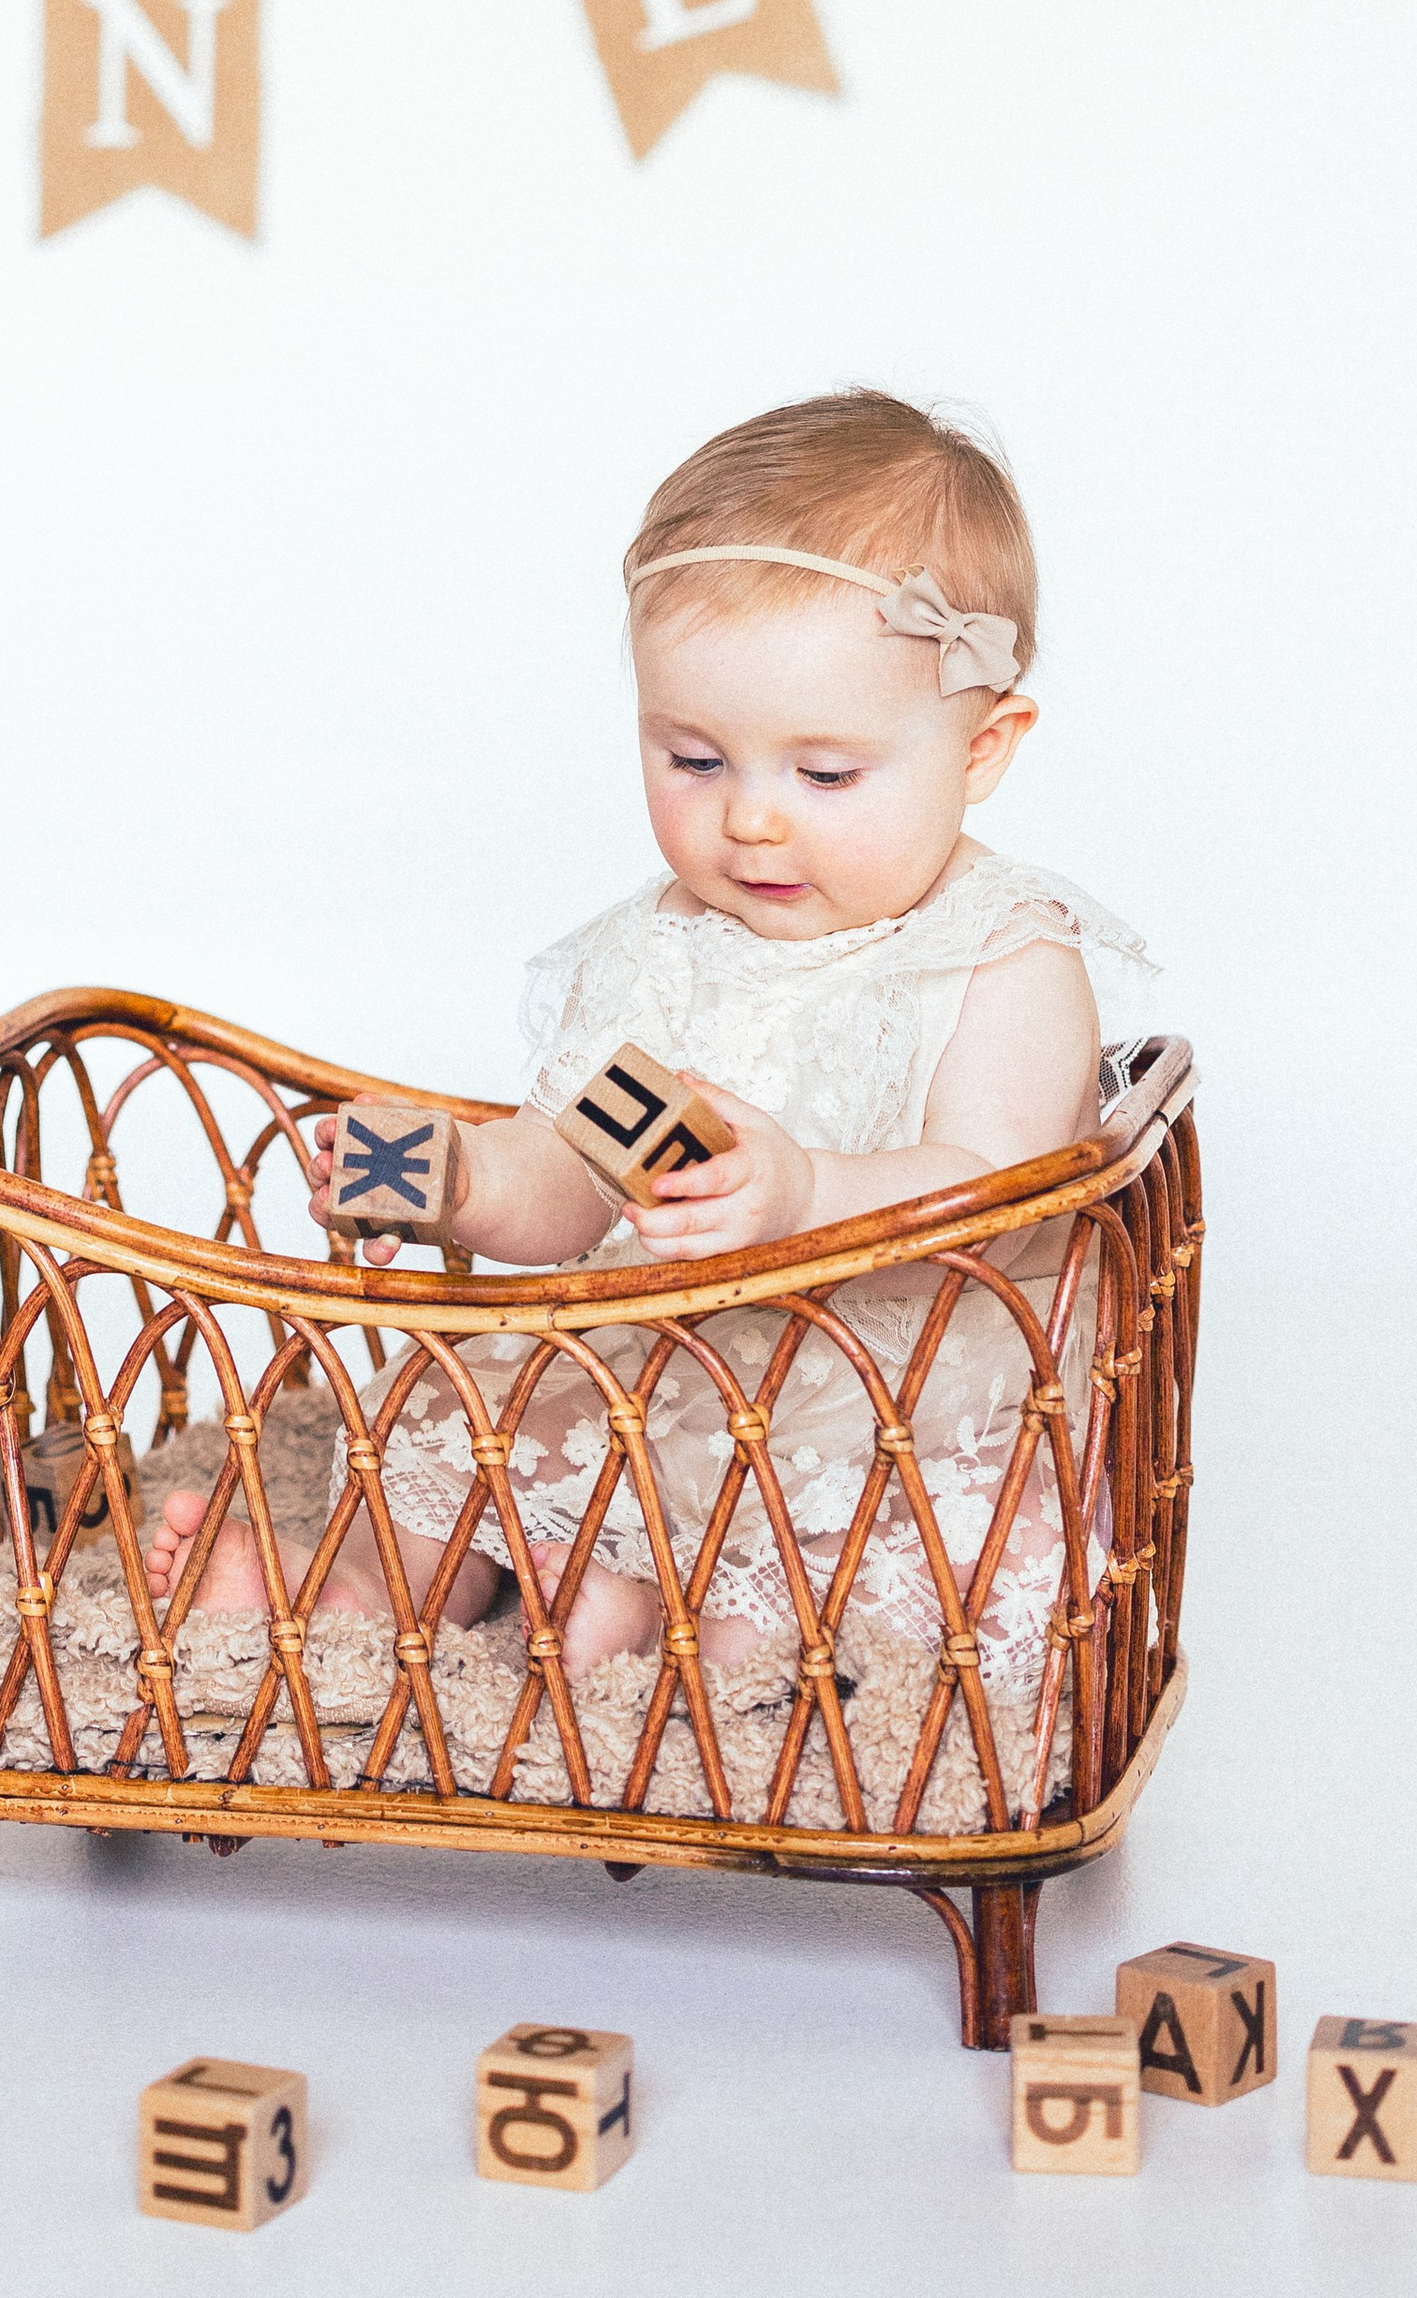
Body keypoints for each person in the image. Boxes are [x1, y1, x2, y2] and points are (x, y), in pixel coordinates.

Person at [143, 389, 1150, 1691]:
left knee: (787, 1592)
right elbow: (578, 1175)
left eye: (825, 775)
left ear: (985, 746)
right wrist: (458, 1179)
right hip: (669, 1346)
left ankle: (637, 1606)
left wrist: (811, 1193)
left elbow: (1003, 1186)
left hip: (888, 1384)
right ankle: (346, 1591)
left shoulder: (1003, 951)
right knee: (451, 1416)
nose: (752, 823)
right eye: (694, 758)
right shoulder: (665, 952)